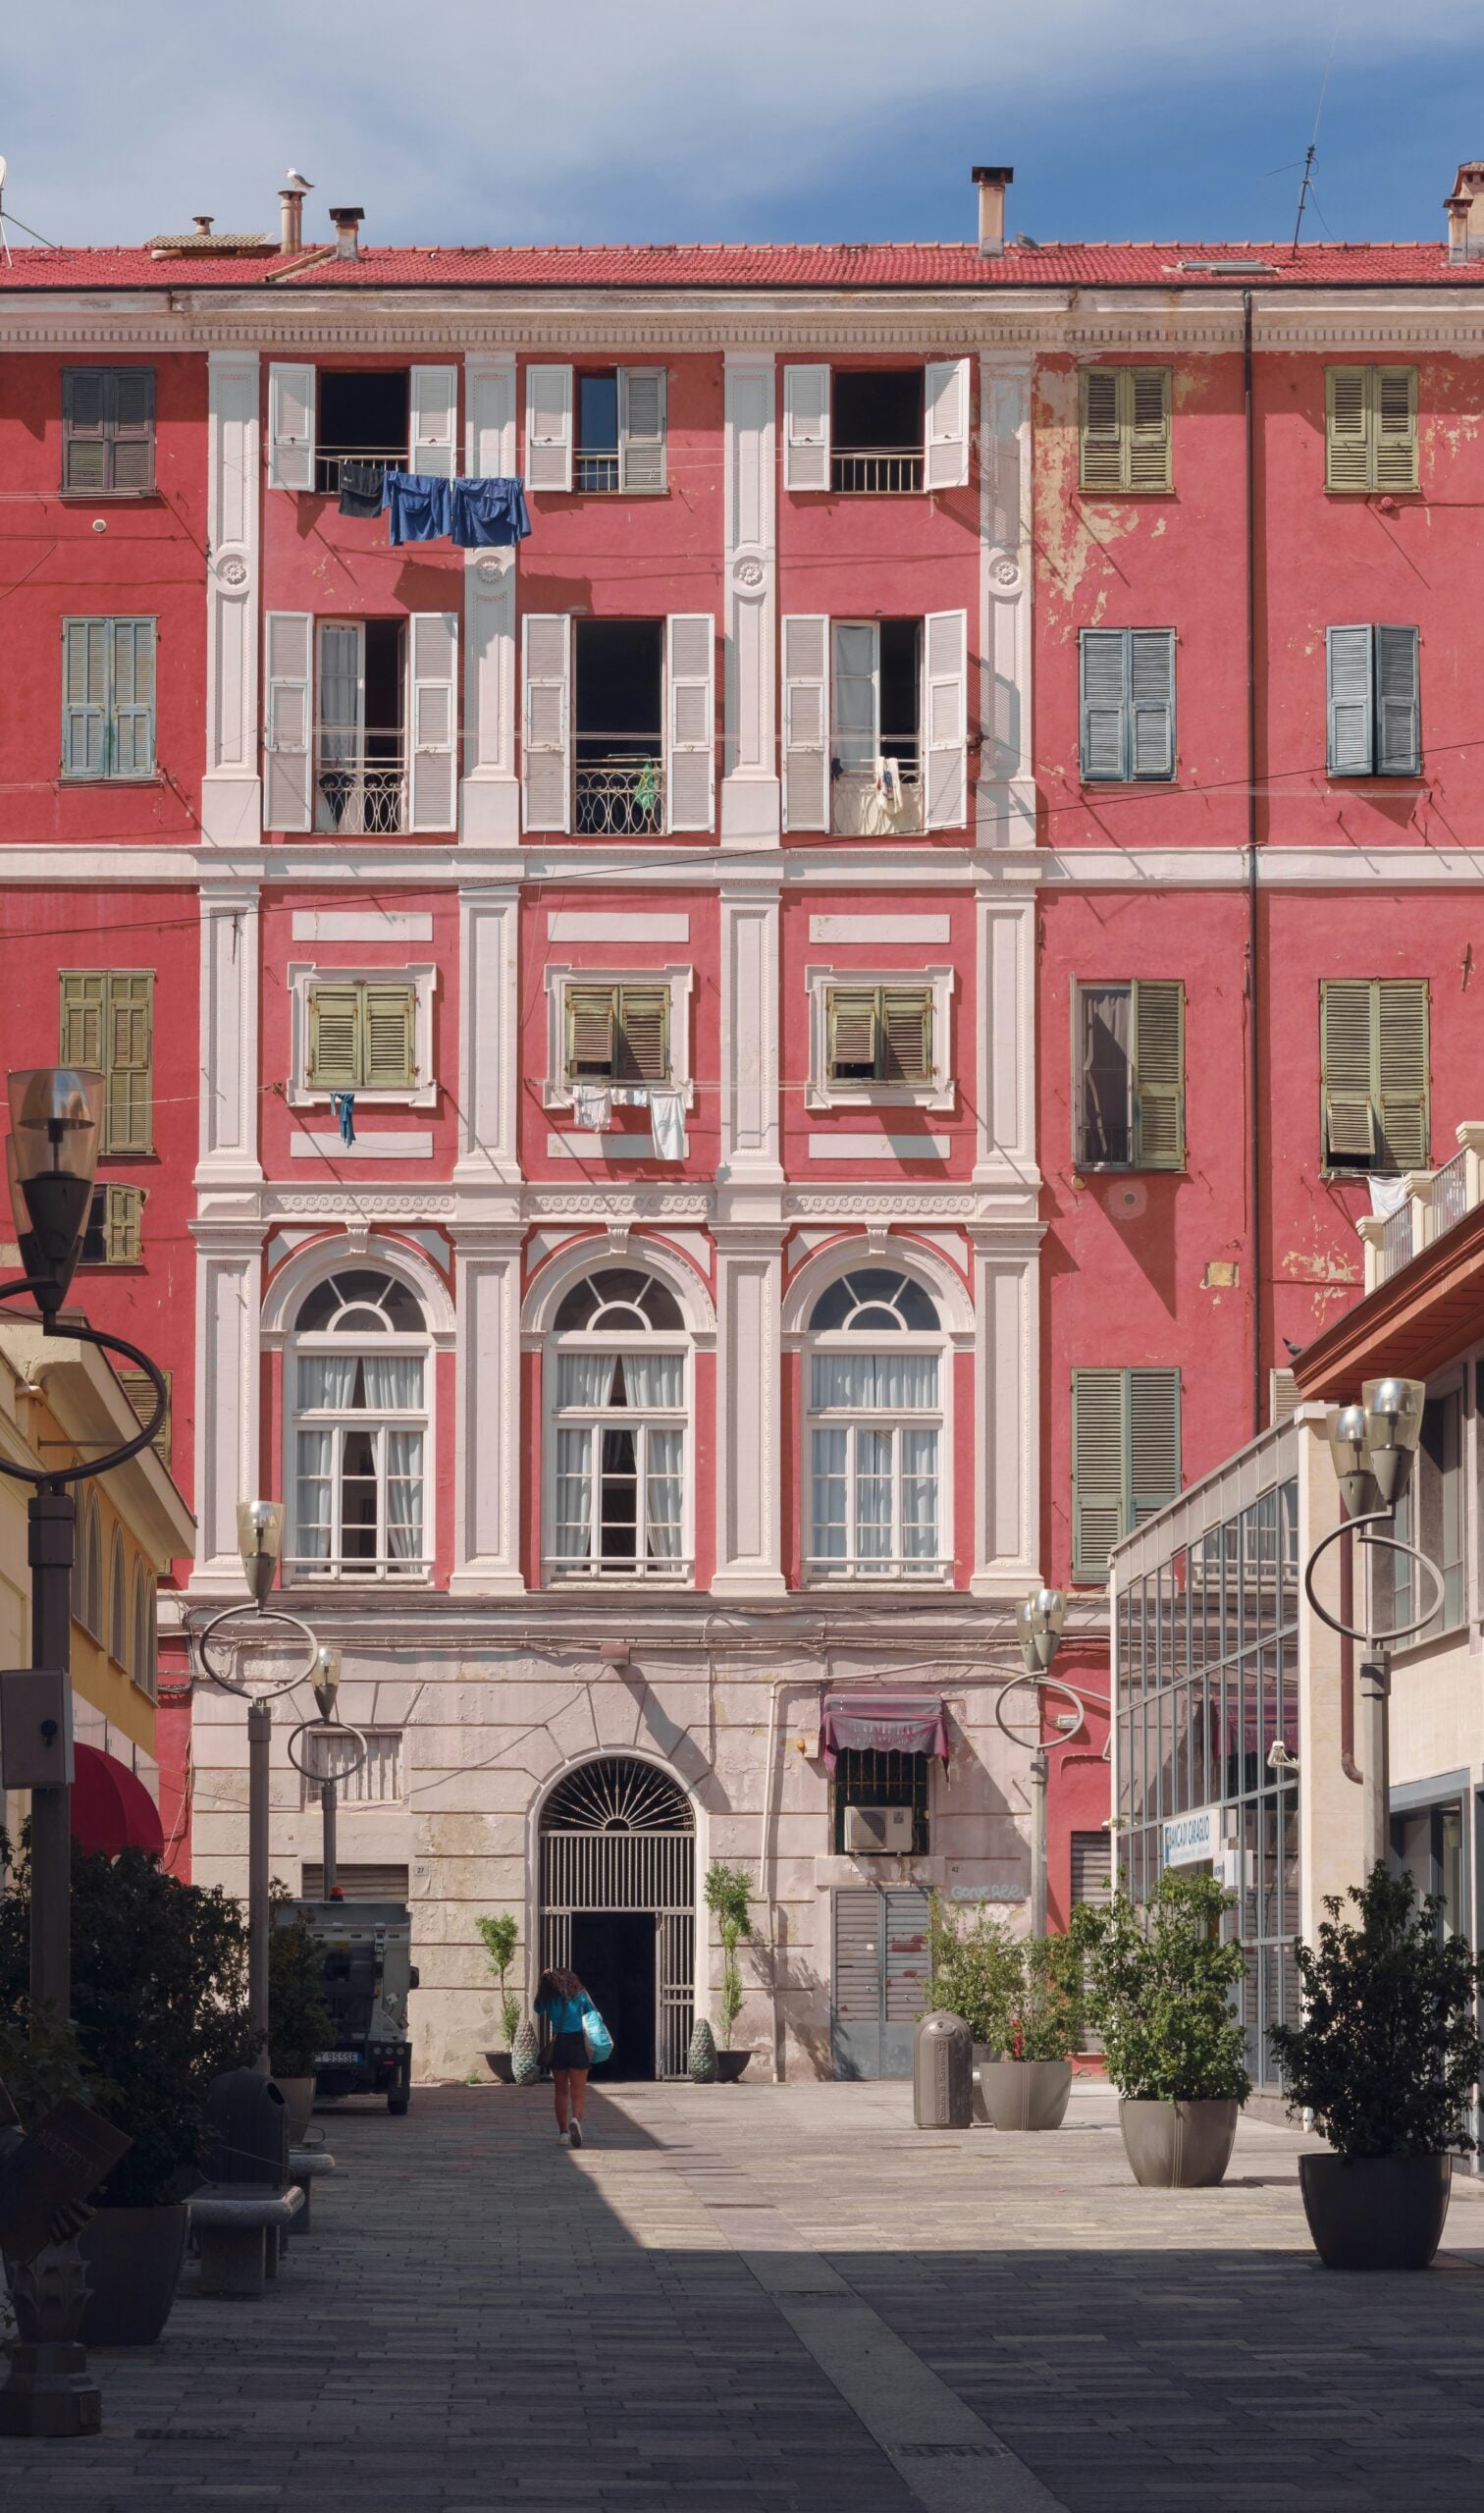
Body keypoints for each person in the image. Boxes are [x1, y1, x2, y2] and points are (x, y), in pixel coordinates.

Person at [534, 1966, 596, 2148]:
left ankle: (562, 2133)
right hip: (578, 2044)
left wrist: (543, 1982)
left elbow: (537, 2009)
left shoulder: (549, 1999)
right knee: (579, 2092)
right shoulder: (580, 1996)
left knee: (560, 2091)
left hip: (559, 2045)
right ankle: (576, 2120)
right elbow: (591, 2014)